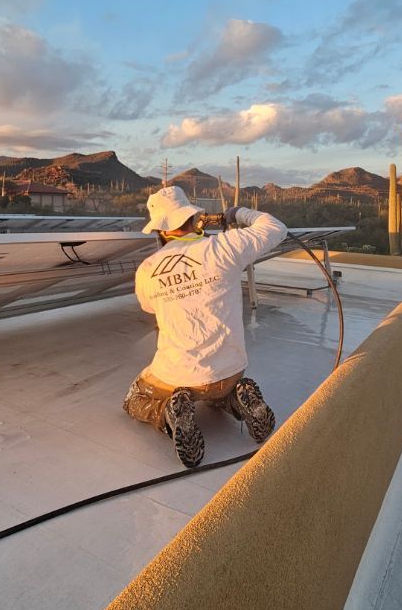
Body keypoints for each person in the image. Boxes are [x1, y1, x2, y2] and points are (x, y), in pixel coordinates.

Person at [123, 186, 287, 467]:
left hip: (178, 375)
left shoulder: (148, 269)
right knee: (216, 388)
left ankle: (167, 415)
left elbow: (148, 307)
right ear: (194, 218)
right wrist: (237, 213)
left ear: (161, 229)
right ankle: (235, 399)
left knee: (136, 398)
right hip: (231, 369)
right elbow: (276, 228)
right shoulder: (225, 247)